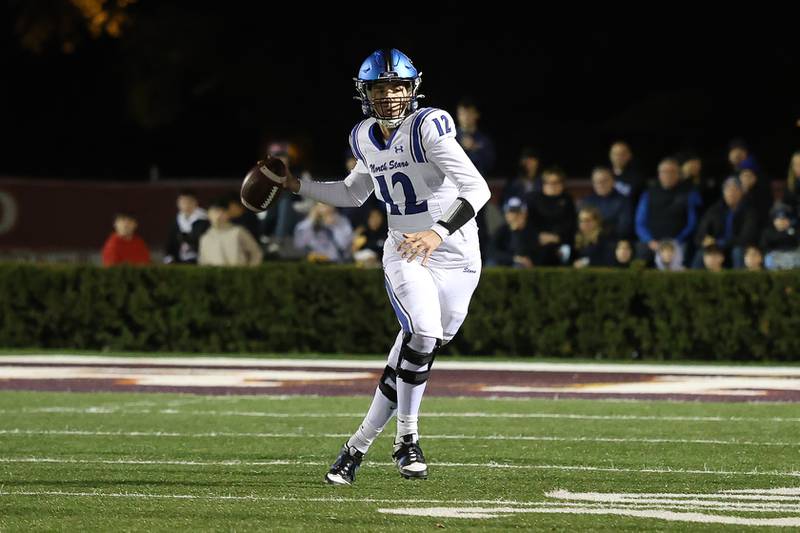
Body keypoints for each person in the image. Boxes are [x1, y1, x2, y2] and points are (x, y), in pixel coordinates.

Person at [275, 49, 490, 485]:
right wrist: (297, 186)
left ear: (412, 88)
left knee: (417, 348)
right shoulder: (362, 138)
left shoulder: (430, 126)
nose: (389, 94)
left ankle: (355, 448)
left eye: (396, 85)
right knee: (423, 333)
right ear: (365, 92)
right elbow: (354, 194)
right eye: (379, 87)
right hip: (404, 248)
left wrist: (438, 233)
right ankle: (407, 436)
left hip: (456, 250)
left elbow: (477, 187)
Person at [634, 158, 702, 265]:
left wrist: (676, 241)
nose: (668, 175)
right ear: (659, 174)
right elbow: (639, 222)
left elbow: (692, 223)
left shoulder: (689, 193)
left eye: (672, 172)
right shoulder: (648, 194)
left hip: (679, 242)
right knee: (641, 253)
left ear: (678, 174)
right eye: (664, 172)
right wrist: (649, 241)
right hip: (652, 242)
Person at [691, 177, 758, 269]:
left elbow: (746, 237)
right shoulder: (714, 210)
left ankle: (740, 281)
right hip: (716, 246)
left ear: (741, 192)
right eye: (728, 190)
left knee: (737, 252)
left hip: (737, 245)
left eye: (735, 190)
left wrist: (722, 242)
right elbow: (701, 233)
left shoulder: (749, 211)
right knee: (702, 252)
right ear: (723, 193)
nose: (731, 193)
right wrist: (704, 240)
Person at [525, 166, 577, 266]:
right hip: (538, 242)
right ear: (543, 184)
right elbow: (529, 223)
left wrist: (558, 237)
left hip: (561, 242)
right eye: (549, 182)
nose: (552, 186)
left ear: (562, 184)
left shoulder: (567, 200)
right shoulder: (533, 200)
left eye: (556, 182)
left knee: (566, 254)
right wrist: (538, 236)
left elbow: (570, 224)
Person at [198, 198, 263, 266]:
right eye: (216, 211)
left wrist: (250, 271)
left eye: (223, 211)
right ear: (208, 214)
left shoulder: (238, 231)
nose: (219, 215)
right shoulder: (205, 237)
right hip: (215, 275)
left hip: (239, 274)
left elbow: (256, 253)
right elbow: (203, 262)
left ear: (228, 214)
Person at [579, 166, 632, 239]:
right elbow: (581, 225)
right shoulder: (587, 201)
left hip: (612, 242)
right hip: (589, 241)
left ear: (613, 181)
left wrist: (600, 233)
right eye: (597, 182)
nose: (600, 185)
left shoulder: (623, 201)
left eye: (604, 181)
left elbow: (624, 229)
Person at [164, 190, 210, 264]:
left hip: (198, 259)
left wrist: (187, 238)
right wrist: (169, 256)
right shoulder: (177, 220)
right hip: (179, 259)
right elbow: (170, 240)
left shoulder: (204, 220)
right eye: (182, 202)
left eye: (188, 202)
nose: (185, 205)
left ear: (195, 203)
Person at [487, 197, 534, 268]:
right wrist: (513, 258)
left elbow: (523, 253)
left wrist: (516, 232)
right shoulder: (502, 229)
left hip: (521, 265)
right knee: (491, 263)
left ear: (525, 214)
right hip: (504, 262)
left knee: (520, 265)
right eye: (511, 212)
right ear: (506, 215)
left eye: (518, 212)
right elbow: (491, 251)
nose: (515, 216)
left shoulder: (530, 230)